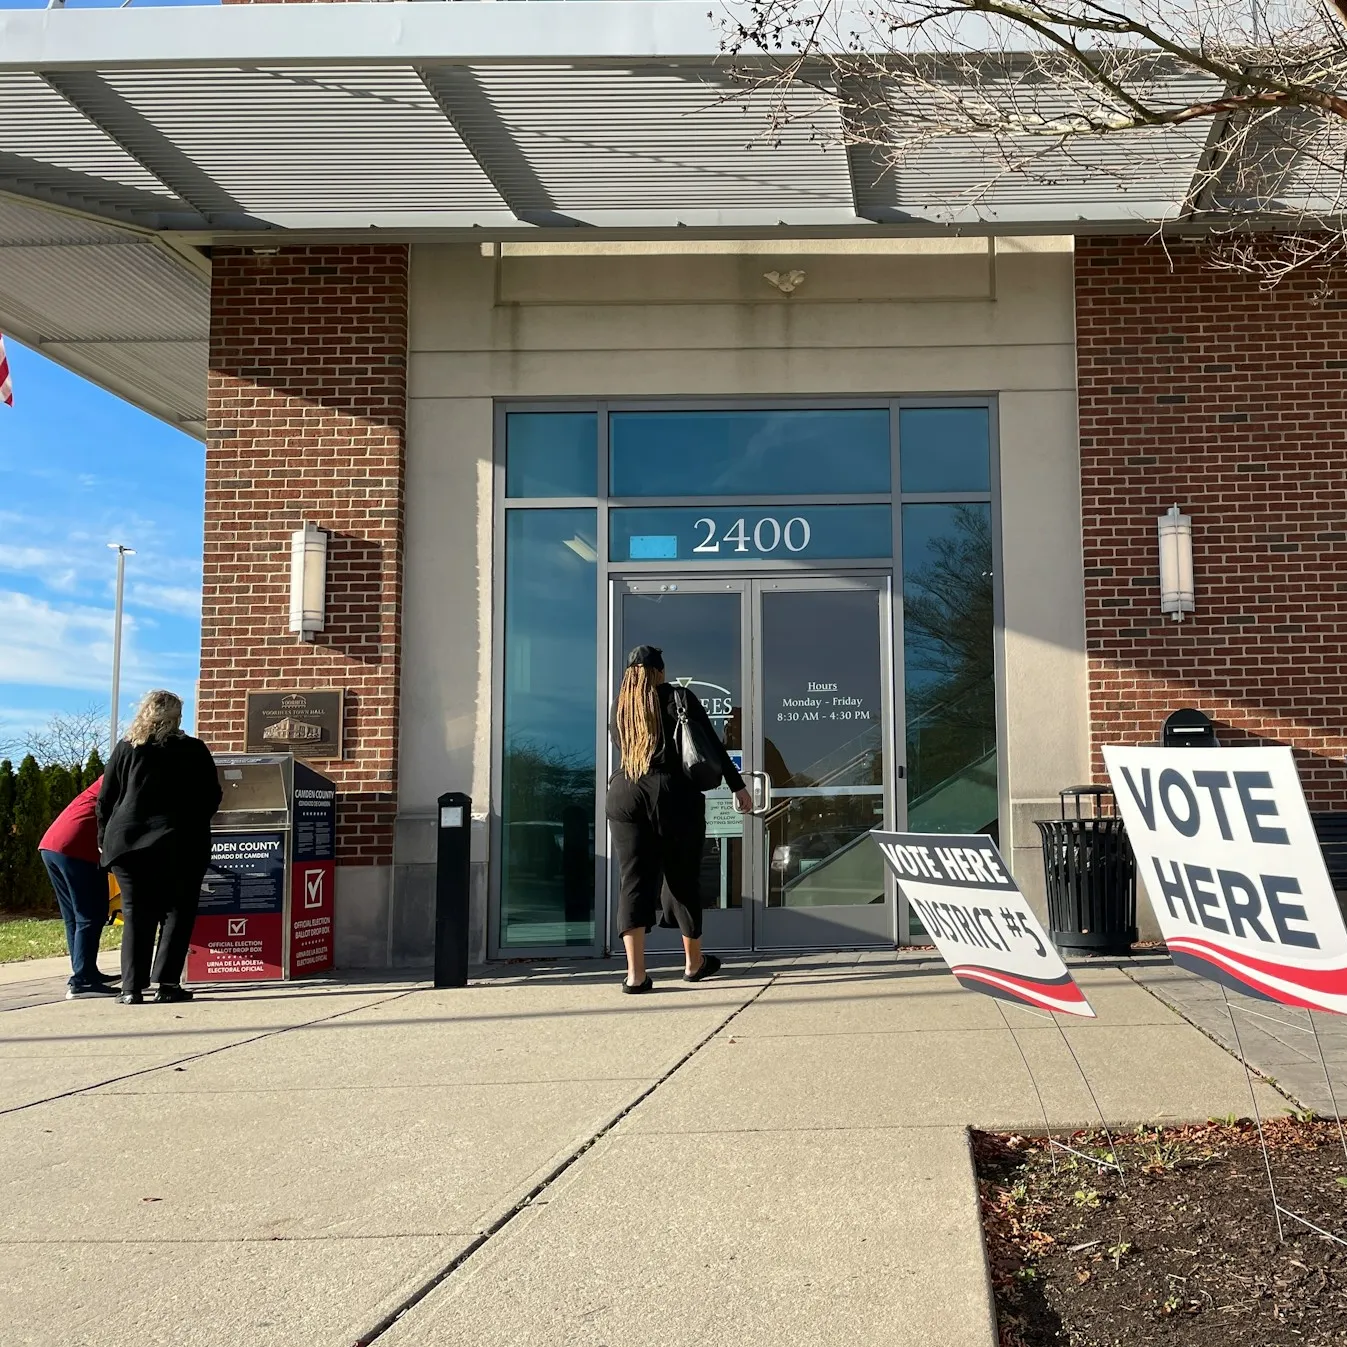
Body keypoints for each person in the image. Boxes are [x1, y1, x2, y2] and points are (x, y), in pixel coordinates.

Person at [607, 645, 752, 993]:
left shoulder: (621, 706)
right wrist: (738, 786)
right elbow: (710, 747)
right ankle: (693, 963)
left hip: (625, 791)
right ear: (659, 671)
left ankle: (635, 976)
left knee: (634, 881)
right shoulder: (678, 697)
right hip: (673, 793)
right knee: (682, 877)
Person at [97, 690, 222, 1005]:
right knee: (177, 912)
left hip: (128, 844)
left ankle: (131, 989)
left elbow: (106, 798)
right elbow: (212, 795)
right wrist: (193, 822)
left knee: (136, 914)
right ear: (178, 716)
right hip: (180, 841)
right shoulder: (193, 749)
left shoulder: (126, 748)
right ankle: (167, 985)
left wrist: (104, 840)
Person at [39, 776, 119, 1000]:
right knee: (90, 914)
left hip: (53, 845)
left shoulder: (112, 775)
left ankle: (85, 973)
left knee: (74, 917)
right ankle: (83, 980)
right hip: (77, 847)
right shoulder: (127, 776)